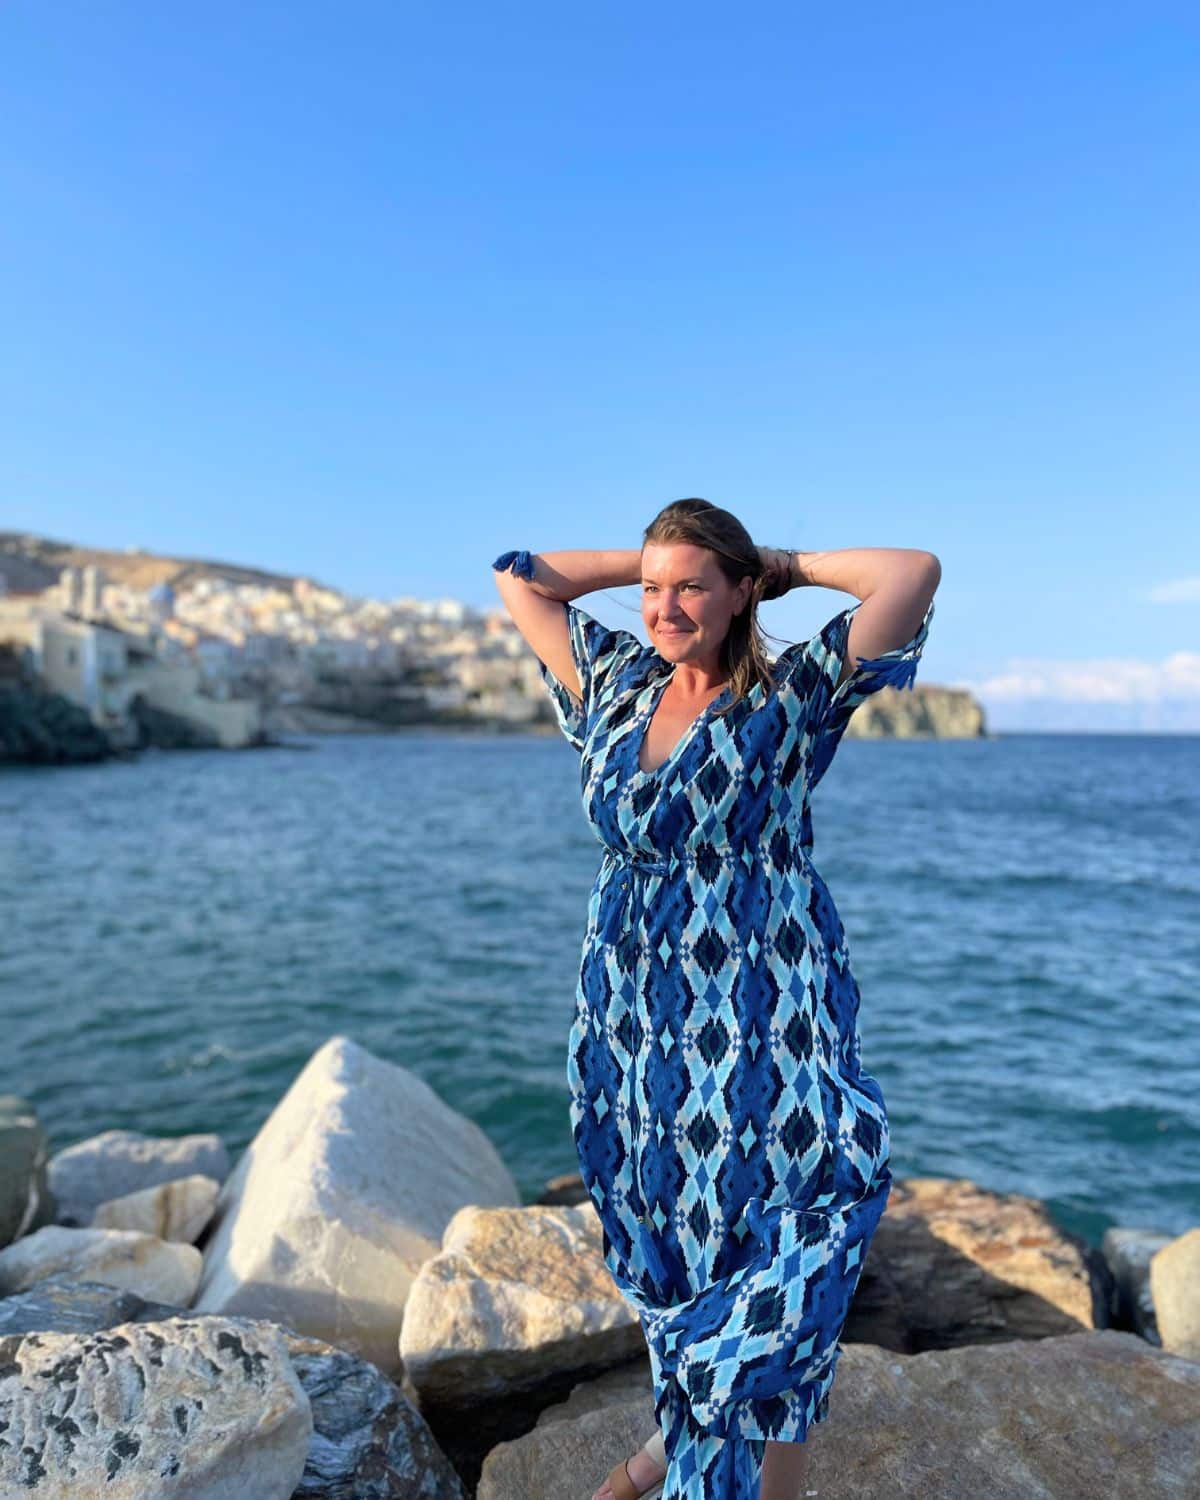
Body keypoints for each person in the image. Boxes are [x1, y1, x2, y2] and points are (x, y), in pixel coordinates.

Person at [491, 500, 939, 1500]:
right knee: (676, 1231)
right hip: (632, 1016)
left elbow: (911, 571)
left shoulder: (791, 696)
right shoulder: (614, 684)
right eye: (653, 590)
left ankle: (686, 1429)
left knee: (816, 1201)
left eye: (692, 587)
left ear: (741, 595)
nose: (665, 607)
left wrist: (776, 563)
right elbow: (519, 574)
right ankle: (710, 1455)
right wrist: (653, 566)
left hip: (764, 1012)